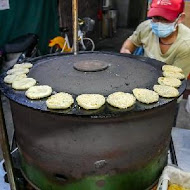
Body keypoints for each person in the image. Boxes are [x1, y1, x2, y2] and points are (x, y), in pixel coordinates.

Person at [120, 0, 190, 78]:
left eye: (166, 19)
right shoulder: (145, 28)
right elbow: (131, 43)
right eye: (156, 18)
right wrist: (125, 52)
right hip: (144, 71)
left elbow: (176, 79)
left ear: (180, 18)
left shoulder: (186, 44)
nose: (159, 23)